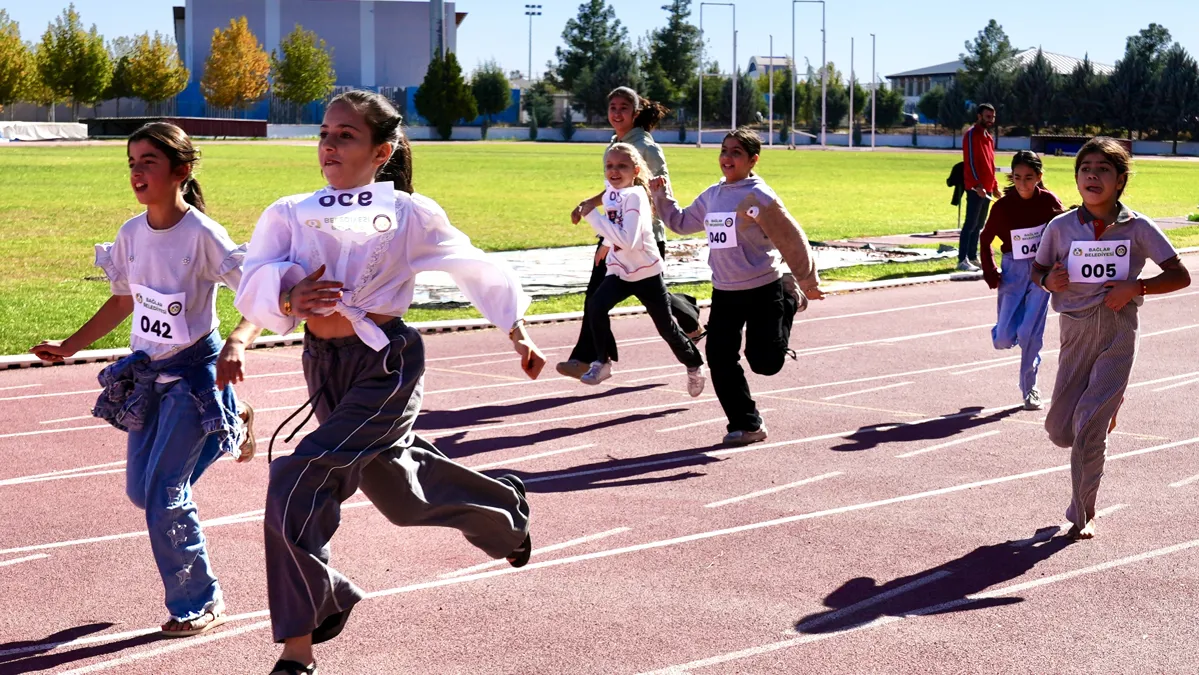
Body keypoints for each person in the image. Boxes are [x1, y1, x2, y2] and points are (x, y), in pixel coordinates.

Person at [234, 90, 546, 675]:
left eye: (346, 135)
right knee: (402, 498)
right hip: (323, 363)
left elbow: (474, 264)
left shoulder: (408, 214)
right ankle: (504, 515)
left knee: (298, 474)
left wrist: (517, 331)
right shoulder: (289, 212)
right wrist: (289, 295)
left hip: (386, 364)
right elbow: (255, 280)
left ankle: (299, 644)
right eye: (325, 133)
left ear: (381, 152)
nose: (329, 144)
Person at [30, 122, 259, 637]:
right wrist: (69, 345)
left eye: (148, 162)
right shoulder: (131, 233)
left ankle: (199, 601)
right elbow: (122, 300)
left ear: (181, 171)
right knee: (142, 492)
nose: (136, 172)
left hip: (195, 374)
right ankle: (233, 421)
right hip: (148, 375)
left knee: (163, 495)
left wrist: (239, 342)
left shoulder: (203, 235)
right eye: (131, 163)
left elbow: (255, 296)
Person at [1032, 137, 1190, 540]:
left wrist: (1137, 287)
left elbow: (1180, 275)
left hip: (1119, 330)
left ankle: (1082, 512)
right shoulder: (1060, 227)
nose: (1092, 176)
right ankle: (1109, 406)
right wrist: (1049, 280)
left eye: (1103, 169)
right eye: (1085, 169)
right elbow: (1038, 270)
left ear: (1120, 180)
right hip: (1075, 330)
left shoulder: (1138, 226)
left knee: (1088, 427)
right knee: (1061, 430)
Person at [650, 127, 824, 446]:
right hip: (725, 291)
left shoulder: (758, 196)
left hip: (763, 288)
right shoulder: (713, 195)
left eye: (736, 153)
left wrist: (807, 280)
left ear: (752, 160)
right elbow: (681, 222)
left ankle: (789, 298)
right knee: (718, 357)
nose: (727, 157)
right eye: (724, 150)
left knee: (765, 363)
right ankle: (747, 423)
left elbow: (791, 237)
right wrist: (661, 196)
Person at [557, 86, 702, 379]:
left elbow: (658, 190)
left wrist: (625, 226)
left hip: (644, 236)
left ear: (635, 113)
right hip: (616, 233)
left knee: (646, 297)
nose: (617, 113)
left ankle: (591, 358)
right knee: (605, 296)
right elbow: (614, 189)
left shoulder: (647, 147)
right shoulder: (616, 143)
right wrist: (590, 203)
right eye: (613, 107)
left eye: (624, 107)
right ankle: (594, 358)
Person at [576, 143, 706, 394]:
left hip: (646, 273)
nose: (614, 171)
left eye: (622, 166)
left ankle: (694, 364)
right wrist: (606, 243)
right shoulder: (611, 193)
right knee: (596, 305)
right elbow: (617, 223)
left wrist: (593, 217)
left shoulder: (636, 197)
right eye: (609, 166)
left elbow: (629, 239)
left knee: (666, 328)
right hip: (620, 271)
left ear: (635, 171)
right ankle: (602, 362)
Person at [978, 150, 1064, 410]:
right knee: (1003, 339)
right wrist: (990, 270)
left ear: (1039, 176)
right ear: (1011, 177)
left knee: (1029, 333)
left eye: (1028, 177)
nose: (1023, 183)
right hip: (1012, 270)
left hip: (1041, 271)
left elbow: (1064, 233)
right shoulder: (1002, 206)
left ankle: (1030, 389)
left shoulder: (1048, 201)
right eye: (1017, 177)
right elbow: (985, 237)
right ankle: (1007, 332)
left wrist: (1059, 266)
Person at [958, 103, 999, 272]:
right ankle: (962, 259)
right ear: (979, 116)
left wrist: (994, 186)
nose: (991, 120)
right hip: (976, 188)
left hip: (987, 188)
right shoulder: (971, 135)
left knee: (979, 225)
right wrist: (977, 185)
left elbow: (991, 164)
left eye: (993, 117)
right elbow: (970, 162)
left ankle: (973, 256)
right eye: (988, 116)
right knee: (970, 223)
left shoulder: (988, 137)